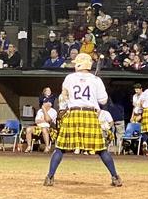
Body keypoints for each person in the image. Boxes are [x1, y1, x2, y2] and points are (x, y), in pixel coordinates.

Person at [43, 53, 123, 187]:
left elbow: (64, 96)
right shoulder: (96, 80)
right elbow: (103, 100)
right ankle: (115, 177)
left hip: (73, 113)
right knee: (101, 149)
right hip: (90, 114)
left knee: (60, 148)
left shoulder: (69, 78)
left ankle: (49, 177)